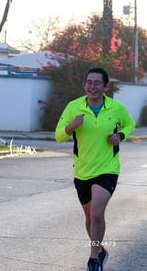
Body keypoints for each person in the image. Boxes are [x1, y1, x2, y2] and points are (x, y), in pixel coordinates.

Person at [55, 67, 135, 271]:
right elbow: (59, 136)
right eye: (89, 82)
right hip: (82, 170)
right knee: (90, 217)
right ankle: (100, 251)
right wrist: (72, 125)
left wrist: (121, 136)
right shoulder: (74, 107)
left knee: (97, 213)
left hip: (108, 168)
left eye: (97, 83)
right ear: (85, 85)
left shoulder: (116, 108)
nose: (92, 86)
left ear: (105, 86)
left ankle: (93, 259)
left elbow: (129, 125)